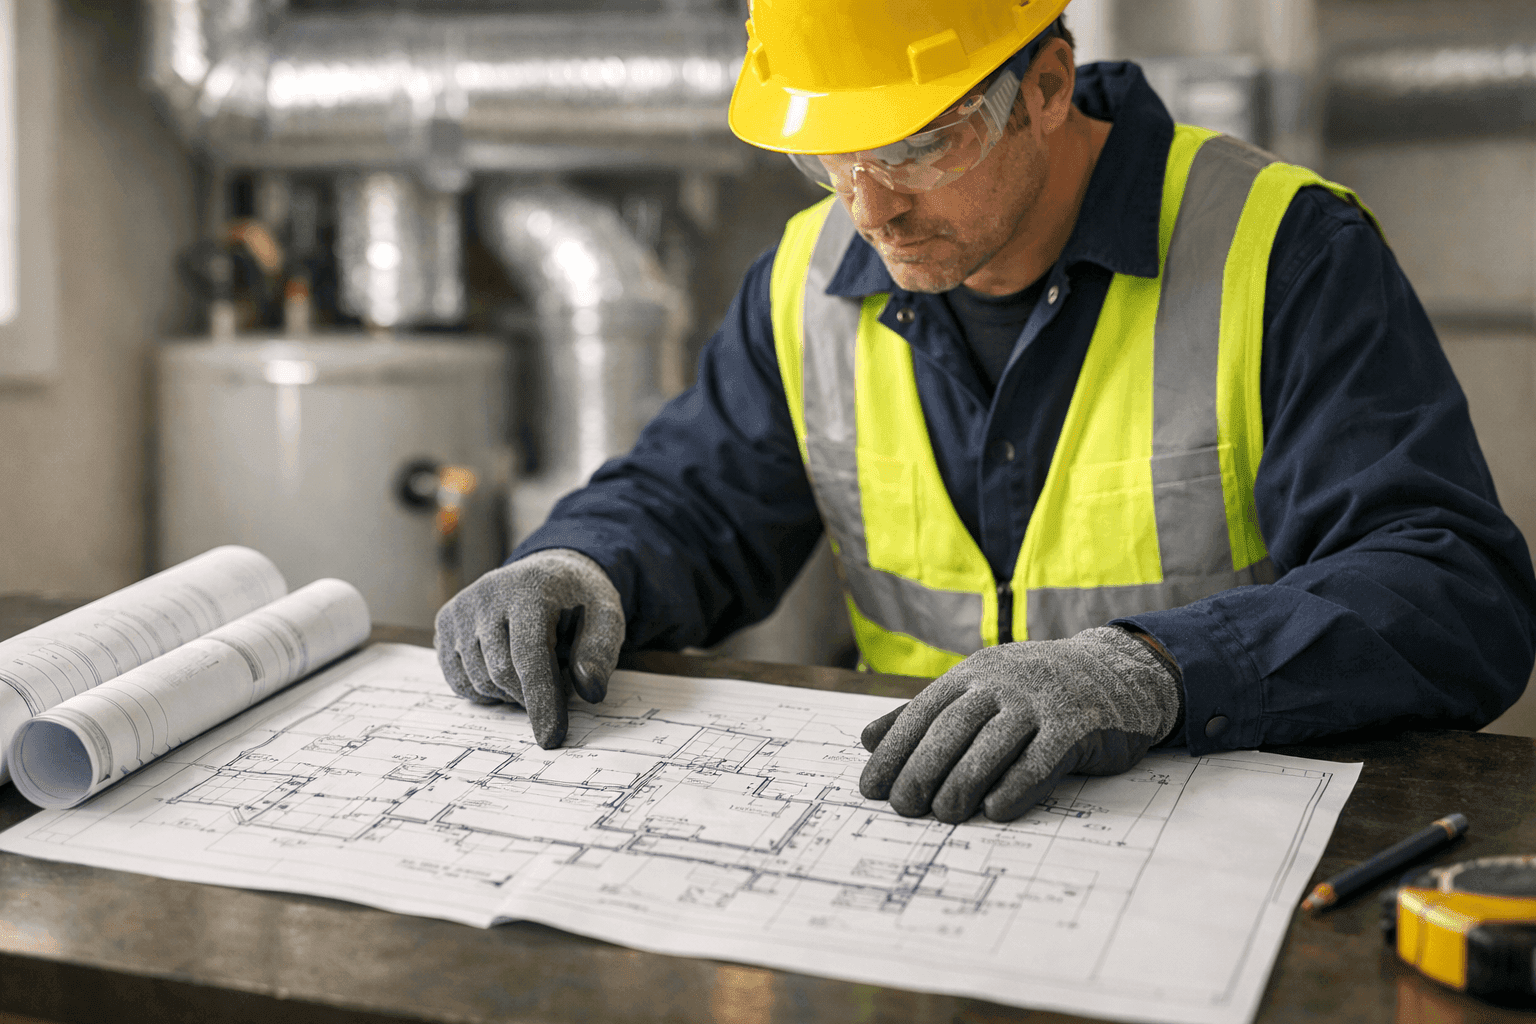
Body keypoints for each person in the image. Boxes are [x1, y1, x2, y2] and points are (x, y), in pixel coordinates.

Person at [435, 0, 1536, 823]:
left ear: (1048, 87)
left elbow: (1454, 592)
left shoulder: (1282, 251)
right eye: (830, 154)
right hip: (917, 849)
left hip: (1203, 854)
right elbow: (691, 498)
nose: (871, 206)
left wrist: (1152, 669)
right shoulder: (806, 274)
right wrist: (581, 563)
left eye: (918, 144)